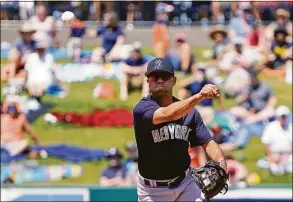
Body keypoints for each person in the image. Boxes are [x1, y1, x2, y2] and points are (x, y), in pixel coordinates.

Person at [133, 58, 228, 201]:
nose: (159, 80)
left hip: (185, 183)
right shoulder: (142, 109)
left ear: (174, 80)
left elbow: (207, 142)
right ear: (148, 81)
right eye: (154, 77)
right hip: (153, 190)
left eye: (164, 76)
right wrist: (199, 97)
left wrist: (221, 163)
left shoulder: (191, 113)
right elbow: (168, 114)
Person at [261, 105, 292, 175]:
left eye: (285, 116)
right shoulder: (270, 127)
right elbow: (266, 143)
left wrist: (286, 155)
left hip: (288, 155)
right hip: (274, 155)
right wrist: (271, 155)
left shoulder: (291, 127)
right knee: (274, 169)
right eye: (282, 117)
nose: (284, 119)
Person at [24, 37, 57, 103]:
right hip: (33, 81)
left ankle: (36, 101)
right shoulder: (31, 57)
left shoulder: (49, 57)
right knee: (32, 88)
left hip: (45, 81)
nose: (40, 51)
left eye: (42, 49)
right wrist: (26, 83)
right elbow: (27, 71)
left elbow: (53, 72)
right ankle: (35, 101)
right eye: (39, 49)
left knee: (39, 89)